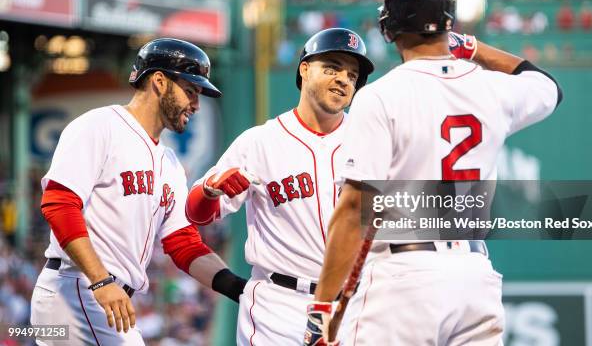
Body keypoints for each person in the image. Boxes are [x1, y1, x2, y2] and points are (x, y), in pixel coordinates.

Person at [304, 0, 563, 345]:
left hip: (404, 277)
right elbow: (547, 86)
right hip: (476, 279)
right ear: (448, 22)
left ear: (390, 23)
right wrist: (474, 49)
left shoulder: (380, 95)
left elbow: (355, 207)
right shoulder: (492, 88)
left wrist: (322, 307)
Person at [30, 38, 247, 345]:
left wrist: (240, 288)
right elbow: (59, 204)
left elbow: (182, 243)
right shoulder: (100, 126)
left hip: (105, 297)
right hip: (78, 289)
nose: (196, 105)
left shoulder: (170, 163)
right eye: (190, 91)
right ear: (159, 81)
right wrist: (100, 280)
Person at [185, 28, 374, 345]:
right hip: (280, 305)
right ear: (304, 69)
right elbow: (197, 213)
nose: (344, 79)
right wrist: (208, 190)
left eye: (353, 75)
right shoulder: (260, 142)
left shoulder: (372, 140)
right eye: (332, 67)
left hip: (354, 305)